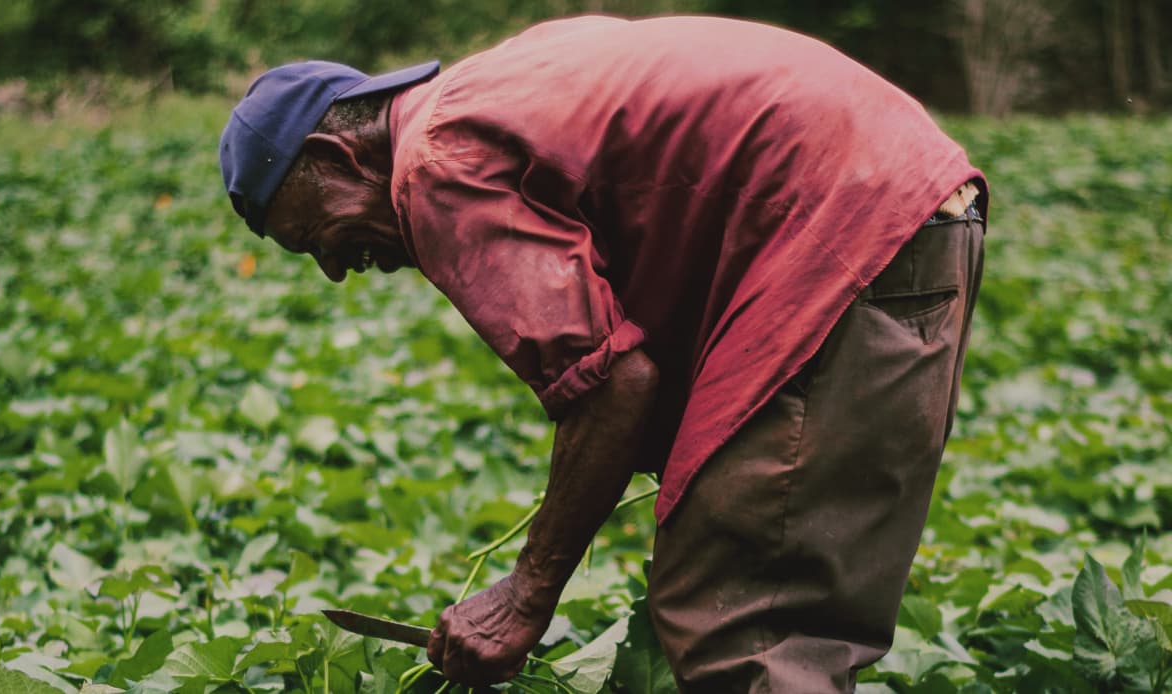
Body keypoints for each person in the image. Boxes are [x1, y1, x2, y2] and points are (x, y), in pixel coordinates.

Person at [219, 14, 987, 692]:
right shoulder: (497, 81)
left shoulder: (434, 167)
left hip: (842, 230)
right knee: (768, 586)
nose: (332, 266)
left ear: (337, 156)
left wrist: (524, 596)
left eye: (310, 233)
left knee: (742, 621)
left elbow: (613, 386)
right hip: (909, 203)